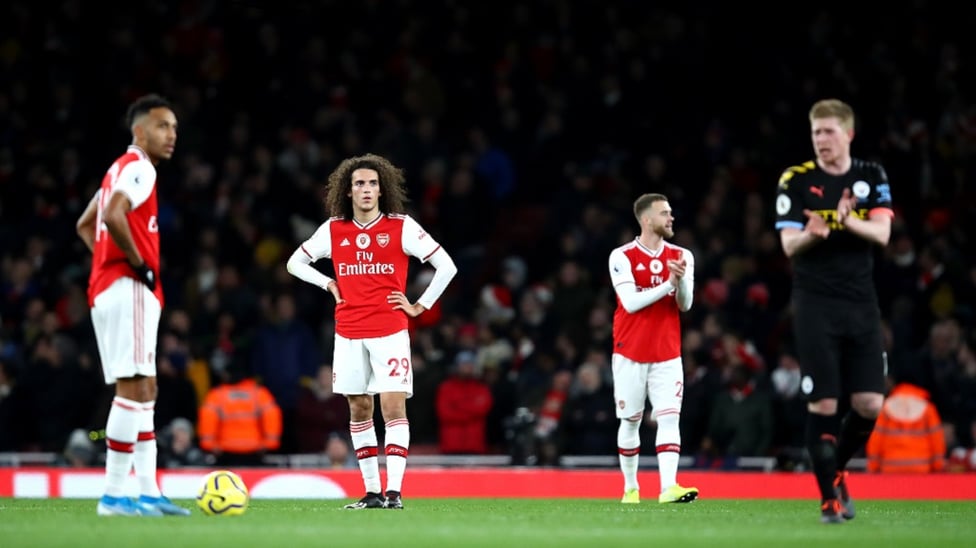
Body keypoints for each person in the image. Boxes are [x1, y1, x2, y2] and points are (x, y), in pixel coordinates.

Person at [286, 152, 457, 510]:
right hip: (348, 331)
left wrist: (418, 306)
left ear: (382, 190)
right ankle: (371, 493)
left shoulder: (401, 225)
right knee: (359, 408)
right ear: (348, 192)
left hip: (390, 330)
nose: (366, 189)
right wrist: (328, 283)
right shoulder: (334, 229)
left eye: (372, 184)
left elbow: (446, 267)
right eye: (359, 183)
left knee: (392, 407)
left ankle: (394, 492)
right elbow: (295, 262)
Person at [774, 98, 894, 523]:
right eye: (815, 133)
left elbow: (881, 233)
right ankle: (828, 499)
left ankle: (836, 465)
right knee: (823, 405)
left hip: (860, 302)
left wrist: (846, 222)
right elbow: (789, 245)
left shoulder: (870, 175)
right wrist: (813, 234)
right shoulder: (797, 179)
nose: (821, 140)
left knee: (868, 404)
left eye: (828, 131)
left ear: (848, 133)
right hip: (814, 304)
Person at [75, 93, 190, 517]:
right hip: (129, 289)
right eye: (163, 126)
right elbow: (114, 216)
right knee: (132, 388)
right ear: (139, 130)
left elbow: (86, 223)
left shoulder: (116, 170)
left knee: (145, 388)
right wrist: (137, 266)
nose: (171, 134)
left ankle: (147, 493)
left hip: (109, 288)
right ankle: (113, 496)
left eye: (175, 127)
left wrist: (106, 263)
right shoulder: (139, 167)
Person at [608, 193, 699, 505]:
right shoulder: (621, 256)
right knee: (631, 420)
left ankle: (668, 487)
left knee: (670, 418)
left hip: (667, 352)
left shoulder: (682, 254)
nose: (671, 218)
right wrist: (669, 284)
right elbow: (631, 303)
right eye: (664, 213)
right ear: (647, 219)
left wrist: (682, 281)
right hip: (629, 351)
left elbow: (685, 305)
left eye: (670, 212)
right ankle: (631, 488)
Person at [197, 359, 282, 466]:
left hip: (225, 452)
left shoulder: (217, 395)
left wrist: (209, 445)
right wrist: (269, 443)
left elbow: (207, 420)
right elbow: (272, 417)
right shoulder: (259, 393)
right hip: (254, 451)